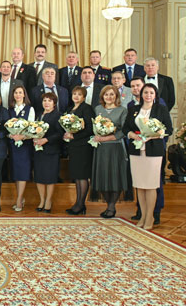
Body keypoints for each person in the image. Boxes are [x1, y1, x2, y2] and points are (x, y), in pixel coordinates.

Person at [124, 83, 173, 230]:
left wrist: (154, 135)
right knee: (139, 185)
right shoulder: (133, 109)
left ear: (155, 95)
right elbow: (126, 128)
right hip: (136, 150)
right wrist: (132, 135)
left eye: (151, 93)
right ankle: (143, 215)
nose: (148, 95)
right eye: (146, 92)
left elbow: (168, 129)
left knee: (151, 185)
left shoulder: (161, 109)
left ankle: (150, 216)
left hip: (153, 151)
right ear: (141, 94)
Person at [90, 85, 128, 218]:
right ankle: (109, 205)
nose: (109, 97)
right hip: (101, 148)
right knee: (102, 177)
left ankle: (111, 207)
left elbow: (123, 131)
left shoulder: (122, 110)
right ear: (102, 96)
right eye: (106, 94)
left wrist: (107, 138)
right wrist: (97, 137)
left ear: (116, 96)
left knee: (115, 177)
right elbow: (93, 127)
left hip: (115, 147)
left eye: (112, 94)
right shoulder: (98, 109)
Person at [64, 87, 95, 215]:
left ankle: (81, 204)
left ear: (84, 97)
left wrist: (74, 136)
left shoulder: (87, 108)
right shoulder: (69, 109)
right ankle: (78, 203)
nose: (76, 96)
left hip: (83, 146)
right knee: (77, 176)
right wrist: (66, 134)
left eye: (79, 94)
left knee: (82, 176)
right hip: (73, 147)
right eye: (74, 94)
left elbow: (90, 129)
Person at [33, 92, 62, 213]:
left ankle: (48, 201)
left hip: (51, 150)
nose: (47, 103)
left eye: (49, 101)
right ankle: (42, 200)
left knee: (50, 177)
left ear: (54, 103)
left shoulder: (58, 115)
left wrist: (46, 140)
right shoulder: (39, 115)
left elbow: (60, 133)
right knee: (39, 176)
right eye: (45, 100)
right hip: (38, 150)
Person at [8, 85, 35, 211]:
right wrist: (12, 135)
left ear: (24, 94)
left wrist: (22, 137)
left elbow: (32, 128)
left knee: (23, 172)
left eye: (20, 92)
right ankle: (20, 197)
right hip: (13, 144)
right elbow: (6, 127)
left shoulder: (30, 109)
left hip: (25, 145)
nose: (18, 95)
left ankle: (19, 200)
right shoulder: (10, 110)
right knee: (16, 171)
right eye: (16, 93)